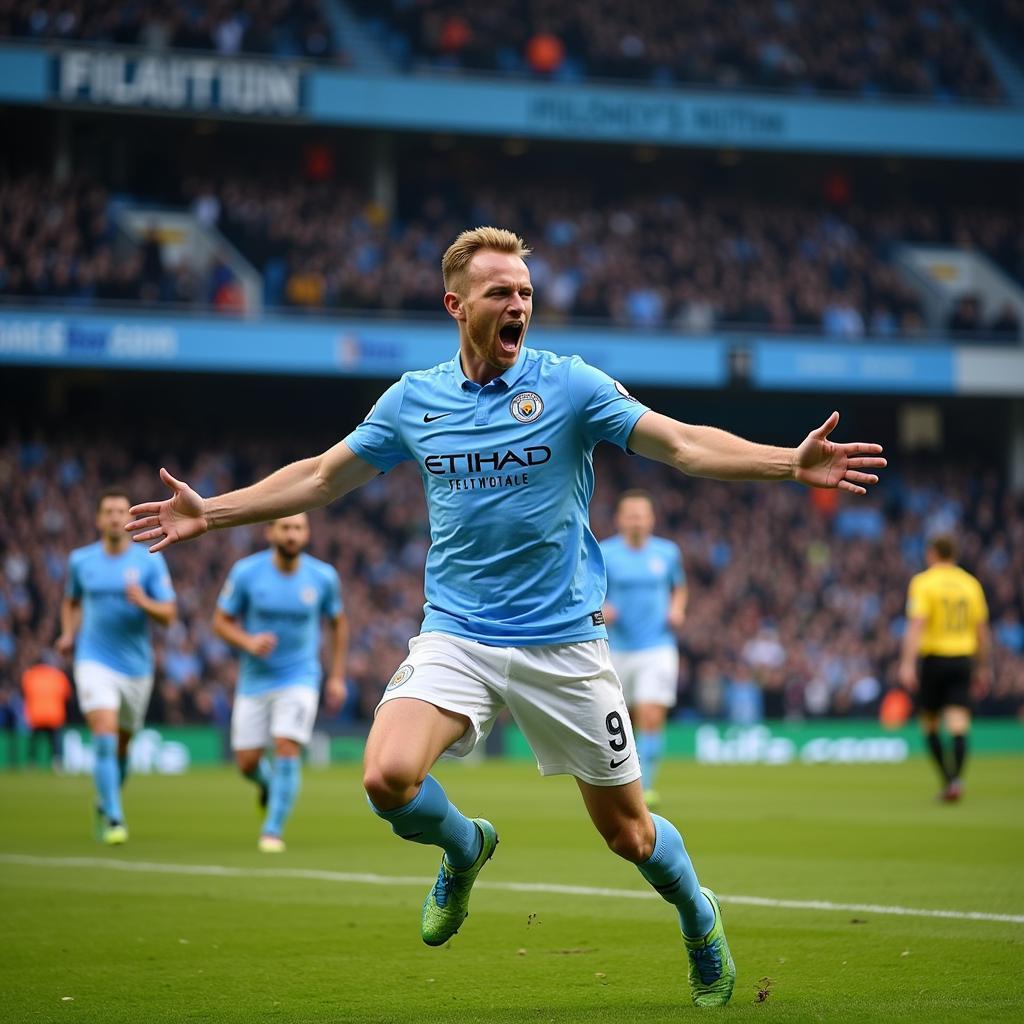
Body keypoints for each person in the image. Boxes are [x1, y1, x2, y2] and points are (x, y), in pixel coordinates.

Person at [127, 227, 886, 1008]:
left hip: (565, 644)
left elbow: (685, 446)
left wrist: (785, 464)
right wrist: (210, 514)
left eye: (525, 291)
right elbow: (323, 477)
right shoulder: (413, 401)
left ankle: (697, 912)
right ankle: (464, 847)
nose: (519, 303)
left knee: (630, 835)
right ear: (457, 306)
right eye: (501, 292)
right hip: (457, 635)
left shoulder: (572, 386)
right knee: (386, 777)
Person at [213, 513, 348, 852]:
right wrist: (248, 642)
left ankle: (272, 830)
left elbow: (338, 624)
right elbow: (221, 621)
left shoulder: (322, 577)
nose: (292, 534)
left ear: (307, 533)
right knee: (246, 762)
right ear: (269, 532)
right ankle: (270, 785)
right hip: (254, 680)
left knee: (287, 746)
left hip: (300, 677)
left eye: (299, 528)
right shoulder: (246, 573)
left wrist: (336, 676)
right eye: (286, 527)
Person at [58, 487, 176, 844]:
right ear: (97, 519)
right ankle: (114, 817)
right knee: (105, 737)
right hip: (93, 661)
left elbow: (169, 615)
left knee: (122, 745)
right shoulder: (81, 561)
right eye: (108, 511)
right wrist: (67, 634)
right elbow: (72, 601)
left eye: (121, 511)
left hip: (136, 667)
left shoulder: (150, 560)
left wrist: (144, 601)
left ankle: (107, 796)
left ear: (130, 518)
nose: (114, 517)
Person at [601, 490, 686, 807]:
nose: (636, 520)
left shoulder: (667, 553)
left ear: (651, 519)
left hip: (657, 646)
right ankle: (622, 781)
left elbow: (680, 587)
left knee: (651, 716)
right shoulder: (605, 553)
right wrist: (602, 607)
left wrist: (677, 609)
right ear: (619, 520)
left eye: (642, 514)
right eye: (630, 514)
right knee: (620, 720)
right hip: (617, 648)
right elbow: (589, 592)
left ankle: (645, 786)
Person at [898, 534, 990, 802]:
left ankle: (948, 779)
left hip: (935, 659)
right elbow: (982, 631)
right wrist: (983, 667)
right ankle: (957, 780)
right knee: (959, 723)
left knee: (929, 724)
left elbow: (917, 624)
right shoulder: (970, 584)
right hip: (963, 659)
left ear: (932, 553)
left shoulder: (924, 582)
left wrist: (907, 663)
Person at [21, 647, 72, 771]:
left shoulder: (30, 675)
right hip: (53, 715)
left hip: (36, 715)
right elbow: (67, 695)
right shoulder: (58, 676)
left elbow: (24, 693)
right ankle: (57, 763)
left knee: (34, 741)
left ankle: (31, 763)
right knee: (55, 741)